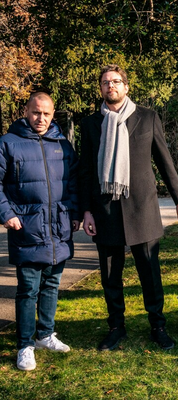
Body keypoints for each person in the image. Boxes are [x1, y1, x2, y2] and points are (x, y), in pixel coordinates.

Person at [79, 64, 178, 351]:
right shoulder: (90, 124)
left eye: (116, 81)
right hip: (106, 210)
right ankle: (116, 327)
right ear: (101, 88)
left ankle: (158, 327)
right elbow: (87, 171)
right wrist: (86, 210)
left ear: (126, 87)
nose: (110, 86)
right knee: (110, 276)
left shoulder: (148, 117)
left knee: (150, 274)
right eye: (105, 82)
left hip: (143, 208)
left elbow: (165, 161)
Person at [0, 92, 79, 371]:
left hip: (58, 227)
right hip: (27, 228)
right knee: (28, 289)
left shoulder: (63, 145)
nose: (41, 118)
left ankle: (45, 335)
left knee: (51, 285)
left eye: (46, 113)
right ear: (25, 111)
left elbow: (73, 183)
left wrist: (74, 212)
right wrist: (7, 214)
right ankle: (25, 345)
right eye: (36, 112)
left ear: (53, 113)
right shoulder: (8, 143)